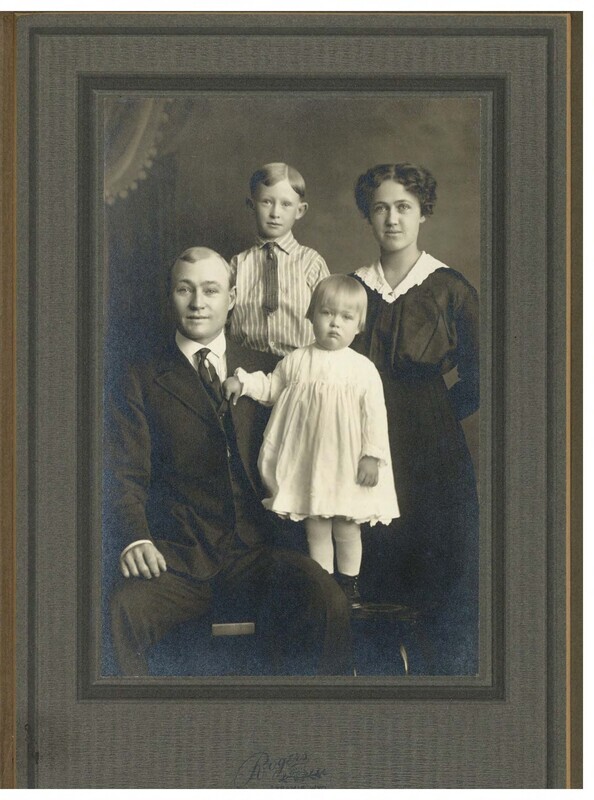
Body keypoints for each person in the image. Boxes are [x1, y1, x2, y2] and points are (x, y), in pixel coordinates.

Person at [106, 246, 352, 676]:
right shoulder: (140, 375)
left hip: (258, 552)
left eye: (210, 290)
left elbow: (314, 445)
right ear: (170, 295)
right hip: (178, 557)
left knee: (326, 600)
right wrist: (135, 538)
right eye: (185, 289)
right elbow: (125, 472)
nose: (198, 303)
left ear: (232, 297)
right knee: (121, 613)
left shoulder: (269, 369)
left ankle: (313, 714)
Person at [350, 163, 479, 630]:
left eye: (404, 207)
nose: (392, 219)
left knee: (436, 565)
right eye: (380, 208)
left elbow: (481, 378)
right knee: (371, 561)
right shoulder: (352, 288)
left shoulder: (451, 288)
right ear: (368, 215)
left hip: (432, 449)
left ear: (423, 212)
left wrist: (434, 416)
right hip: (363, 444)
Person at [224, 274, 399, 610]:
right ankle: (325, 587)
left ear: (359, 326)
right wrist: (243, 383)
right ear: (310, 315)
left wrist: (371, 455)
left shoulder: (362, 369)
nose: (335, 323)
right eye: (327, 313)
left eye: (346, 317)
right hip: (311, 462)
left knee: (347, 527)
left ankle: (348, 586)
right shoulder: (297, 360)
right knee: (316, 527)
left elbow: (375, 415)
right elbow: (272, 387)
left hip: (346, 463)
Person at [228, 162, 330, 356]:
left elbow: (330, 317)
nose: (275, 213)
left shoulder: (311, 263)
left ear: (300, 210)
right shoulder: (238, 264)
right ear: (251, 205)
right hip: (246, 363)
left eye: (286, 204)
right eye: (266, 202)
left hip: (299, 364)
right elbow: (221, 320)